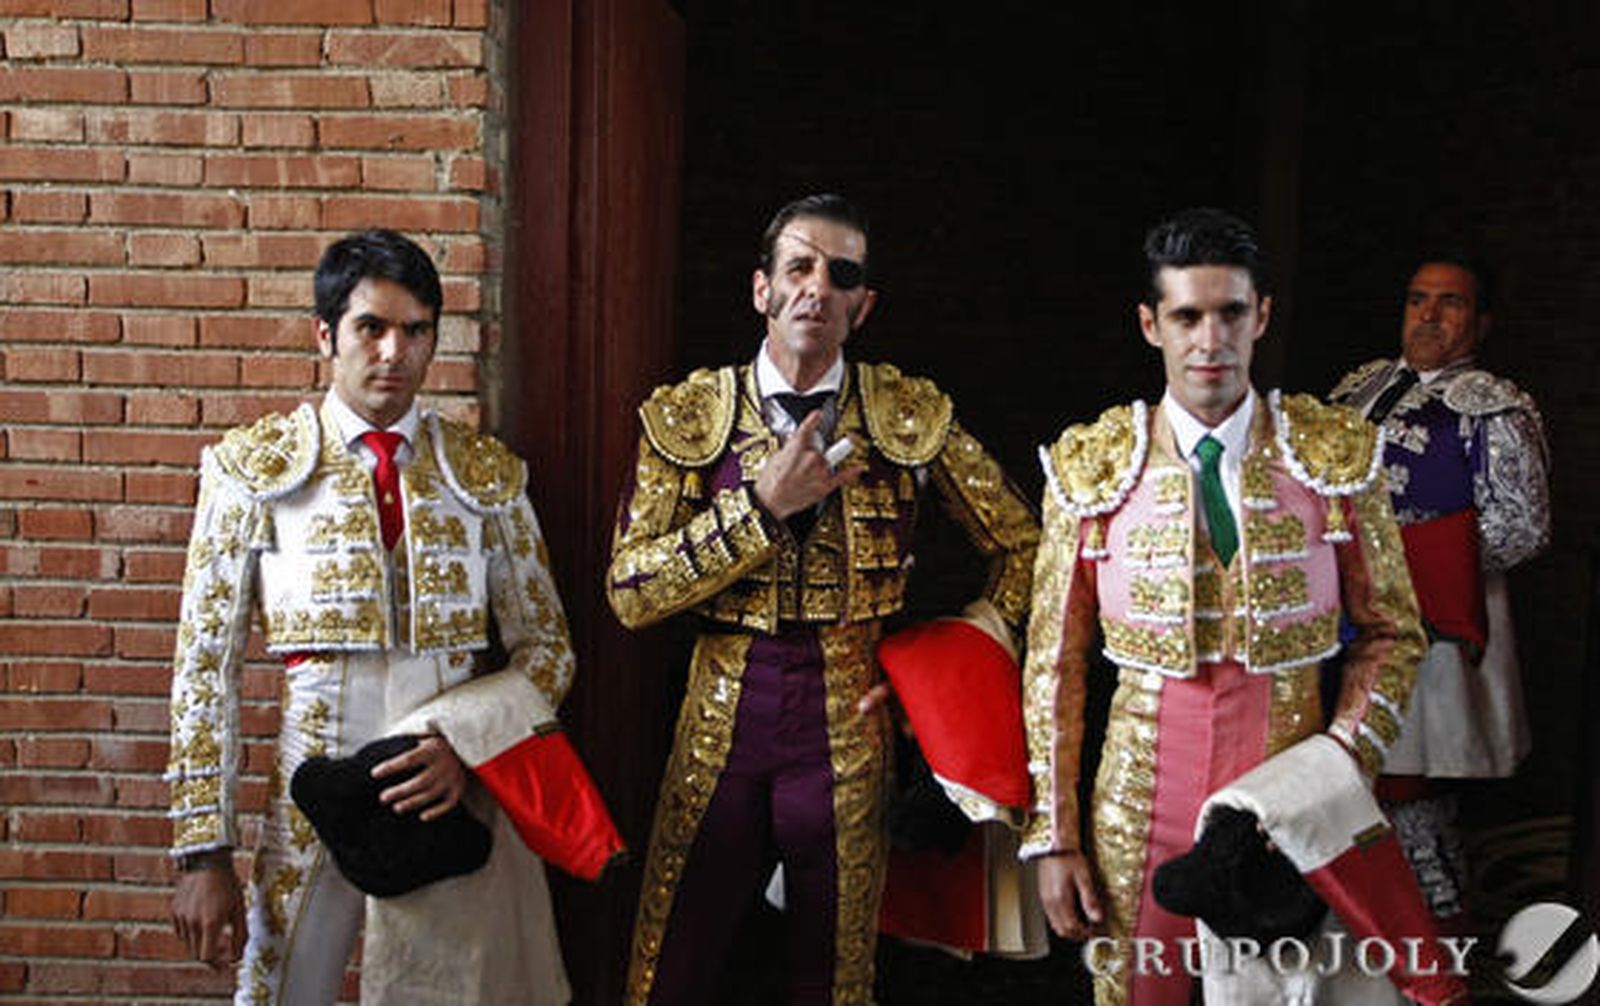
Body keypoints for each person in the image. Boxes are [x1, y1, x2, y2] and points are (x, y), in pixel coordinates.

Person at [606, 193, 1039, 1005]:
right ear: (761, 290)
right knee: (670, 972)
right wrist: (759, 508)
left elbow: (1027, 549)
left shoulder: (908, 415)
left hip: (851, 720)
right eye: (798, 266)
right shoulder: (688, 415)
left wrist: (939, 683)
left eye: (841, 275)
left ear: (862, 305)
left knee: (835, 982)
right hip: (720, 718)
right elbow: (630, 592)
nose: (818, 287)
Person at [166, 229, 589, 1004]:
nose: (395, 352)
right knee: (281, 994)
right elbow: (204, 668)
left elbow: (549, 649)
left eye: (416, 330)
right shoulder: (250, 470)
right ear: (326, 335)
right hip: (311, 778)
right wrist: (203, 855)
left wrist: (465, 747)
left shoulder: (485, 473)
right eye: (372, 327)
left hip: (444, 782)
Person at [1021, 207, 1426, 1005]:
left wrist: (1336, 769)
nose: (1210, 341)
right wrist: (1054, 838)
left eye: (1230, 313)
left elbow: (1393, 633)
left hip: (1288, 805)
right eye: (1187, 316)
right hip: (1139, 812)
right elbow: (1053, 661)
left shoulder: (1331, 456)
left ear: (1261, 316)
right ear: (1151, 324)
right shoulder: (1092, 465)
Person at [1330, 254, 1551, 924]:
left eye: (1449, 303)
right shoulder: (1357, 390)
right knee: (1343, 777)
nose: (1428, 315)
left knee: (1410, 781)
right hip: (1338, 617)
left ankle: (1430, 940)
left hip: (1433, 625)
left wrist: (1402, 565)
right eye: (1417, 298)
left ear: (1479, 321)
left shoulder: (1496, 407)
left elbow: (1523, 525)